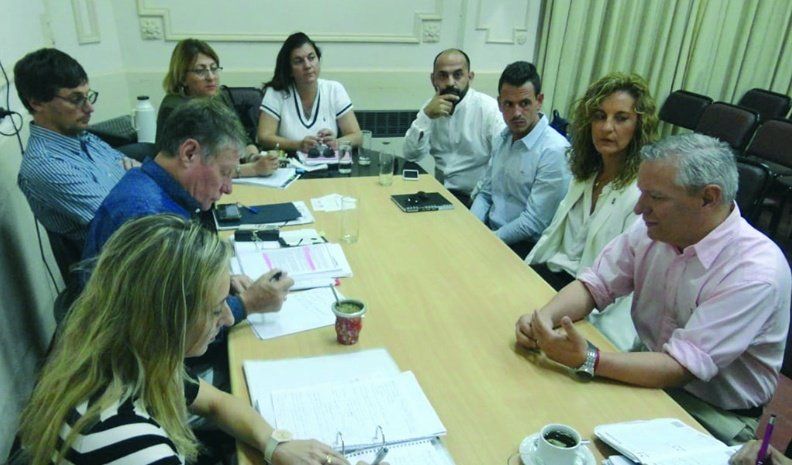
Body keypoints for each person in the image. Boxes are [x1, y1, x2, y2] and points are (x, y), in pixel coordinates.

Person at [515, 134, 791, 445]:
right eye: (642, 193)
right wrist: (544, 320)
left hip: (712, 412)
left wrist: (588, 358)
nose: (639, 208)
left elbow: (679, 367)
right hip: (645, 371)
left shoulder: (754, 272)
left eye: (656, 197)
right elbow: (594, 285)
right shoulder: (654, 230)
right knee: (538, 411)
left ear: (708, 198)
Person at [15, 214, 349, 465]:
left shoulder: (122, 356)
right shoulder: (133, 444)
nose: (228, 318)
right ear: (169, 321)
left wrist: (275, 445)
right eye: (216, 309)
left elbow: (216, 401)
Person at [84, 97, 291, 322]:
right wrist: (247, 303)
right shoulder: (152, 221)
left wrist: (218, 284)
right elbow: (176, 329)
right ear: (189, 153)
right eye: (224, 172)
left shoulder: (147, 184)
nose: (228, 188)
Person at [525, 72, 659, 351]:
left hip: (595, 311)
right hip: (553, 283)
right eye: (599, 116)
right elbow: (552, 237)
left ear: (639, 126)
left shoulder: (641, 193)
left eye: (621, 118)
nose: (606, 128)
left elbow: (629, 284)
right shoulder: (586, 174)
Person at [14, 48, 136, 246]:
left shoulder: (83, 137)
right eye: (76, 99)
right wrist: (137, 180)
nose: (90, 108)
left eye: (88, 96)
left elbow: (142, 179)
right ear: (36, 103)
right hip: (125, 265)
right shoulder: (45, 166)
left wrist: (137, 181)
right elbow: (128, 221)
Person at [470, 61, 570, 258]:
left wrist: (486, 241)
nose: (516, 113)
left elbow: (534, 221)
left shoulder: (555, 150)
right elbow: (486, 193)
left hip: (526, 247)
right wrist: (471, 229)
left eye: (524, 103)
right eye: (509, 104)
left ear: (539, 101)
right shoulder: (502, 138)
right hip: (493, 233)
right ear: (499, 104)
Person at [159, 38, 279, 178]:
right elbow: (193, 168)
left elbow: (242, 139)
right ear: (182, 77)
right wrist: (252, 170)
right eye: (200, 71)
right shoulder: (175, 108)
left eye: (214, 68)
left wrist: (253, 157)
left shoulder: (218, 97)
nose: (211, 77)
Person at [402, 49, 505, 206]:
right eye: (443, 76)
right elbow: (410, 155)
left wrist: (479, 202)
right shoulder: (430, 108)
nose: (450, 82)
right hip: (439, 194)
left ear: (470, 77)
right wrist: (425, 116)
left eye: (457, 75)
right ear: (433, 79)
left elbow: (502, 162)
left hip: (476, 198)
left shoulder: (488, 109)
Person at [258, 32, 362, 152]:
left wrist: (336, 142)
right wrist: (298, 145)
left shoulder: (334, 89)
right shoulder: (276, 93)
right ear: (289, 70)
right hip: (290, 166)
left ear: (318, 60)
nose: (307, 65)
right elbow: (263, 137)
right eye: (299, 61)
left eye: (311, 58)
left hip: (327, 166)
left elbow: (357, 136)